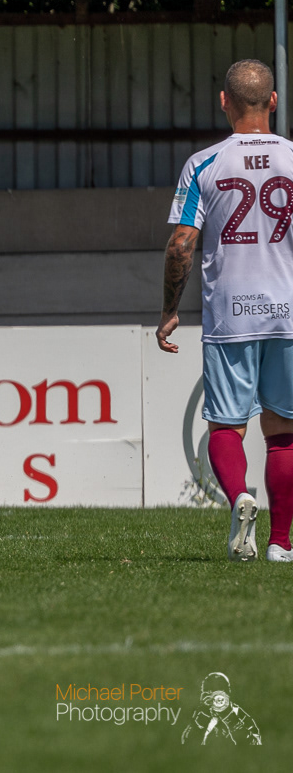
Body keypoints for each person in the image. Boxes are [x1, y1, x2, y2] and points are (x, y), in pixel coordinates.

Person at [159, 58, 293, 563]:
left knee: (225, 427)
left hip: (231, 314)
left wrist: (169, 310)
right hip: (287, 313)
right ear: (273, 101)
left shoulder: (204, 163)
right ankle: (281, 544)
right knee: (284, 434)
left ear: (224, 102)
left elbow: (181, 245)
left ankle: (239, 496)